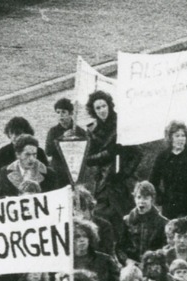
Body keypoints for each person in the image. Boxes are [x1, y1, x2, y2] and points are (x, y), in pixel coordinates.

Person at [83, 90, 140, 239]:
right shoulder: (92, 131)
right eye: (98, 108)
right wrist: (107, 154)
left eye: (104, 106)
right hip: (103, 181)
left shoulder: (121, 125)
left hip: (122, 181)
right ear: (93, 111)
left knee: (127, 217)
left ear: (109, 105)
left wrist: (125, 172)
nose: (102, 110)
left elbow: (137, 153)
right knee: (102, 217)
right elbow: (88, 159)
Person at [149, 120, 187, 228]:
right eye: (177, 136)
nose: (181, 139)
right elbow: (152, 182)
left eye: (183, 135)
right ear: (170, 138)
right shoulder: (163, 157)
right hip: (170, 207)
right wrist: (162, 199)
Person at [0, 117, 47, 198]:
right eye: (11, 133)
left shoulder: (39, 152)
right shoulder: (2, 153)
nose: (13, 137)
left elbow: (47, 176)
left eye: (17, 133)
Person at [119, 180, 170, 265]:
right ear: (134, 199)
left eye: (145, 198)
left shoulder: (163, 223)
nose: (141, 201)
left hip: (154, 265)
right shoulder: (127, 221)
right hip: (131, 265)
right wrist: (126, 261)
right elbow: (119, 248)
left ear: (152, 200)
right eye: (139, 197)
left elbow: (167, 248)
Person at [45, 98, 85, 187]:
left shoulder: (79, 131)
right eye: (58, 112)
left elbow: (86, 150)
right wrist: (62, 138)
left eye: (63, 112)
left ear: (70, 114)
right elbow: (48, 151)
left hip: (75, 170)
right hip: (59, 173)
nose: (60, 115)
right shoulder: (53, 131)